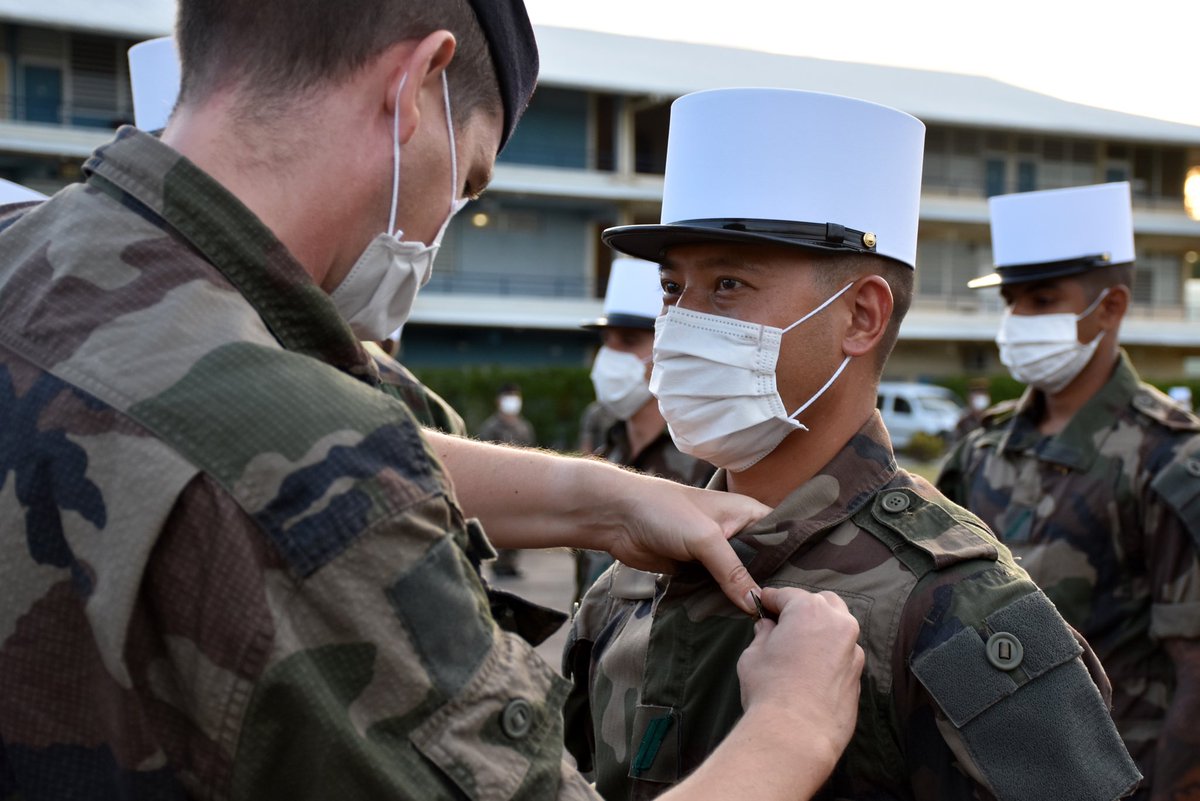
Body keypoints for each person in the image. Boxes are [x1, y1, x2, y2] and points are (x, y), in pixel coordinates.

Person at [0, 2, 870, 798]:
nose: (443, 220)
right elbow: (275, 460)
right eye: (471, 182)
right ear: (416, 83)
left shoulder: (24, 254)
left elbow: (178, 410)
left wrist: (590, 497)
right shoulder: (318, 474)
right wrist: (792, 726)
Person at [563, 88, 1140, 801]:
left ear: (861, 317)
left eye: (729, 285)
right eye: (673, 288)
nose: (678, 325)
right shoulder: (632, 573)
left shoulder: (957, 607)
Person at [937, 182, 1200, 800]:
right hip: (987, 772)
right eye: (1012, 301)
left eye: (1042, 300)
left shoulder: (1170, 458)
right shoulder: (982, 448)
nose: (1018, 320)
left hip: (1116, 774)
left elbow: (1195, 668)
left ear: (1110, 308)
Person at [575, 257, 715, 599]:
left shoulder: (708, 463)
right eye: (606, 341)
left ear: (667, 347)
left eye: (628, 341)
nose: (609, 356)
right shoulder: (607, 452)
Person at [477, 382, 537, 576]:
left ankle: (511, 562)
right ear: (498, 401)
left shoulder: (524, 427)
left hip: (521, 481)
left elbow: (532, 453)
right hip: (499, 480)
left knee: (518, 522)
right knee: (500, 520)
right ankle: (499, 563)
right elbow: (485, 453)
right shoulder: (491, 426)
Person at [952, 377, 992, 443]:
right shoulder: (963, 422)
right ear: (969, 399)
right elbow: (957, 444)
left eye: (983, 394)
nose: (980, 399)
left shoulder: (992, 419)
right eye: (977, 395)